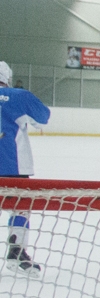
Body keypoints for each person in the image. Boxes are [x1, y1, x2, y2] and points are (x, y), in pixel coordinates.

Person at [1, 60, 50, 277]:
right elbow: (43, 118)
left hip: (13, 167)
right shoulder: (18, 96)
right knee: (20, 207)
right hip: (13, 167)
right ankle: (16, 251)